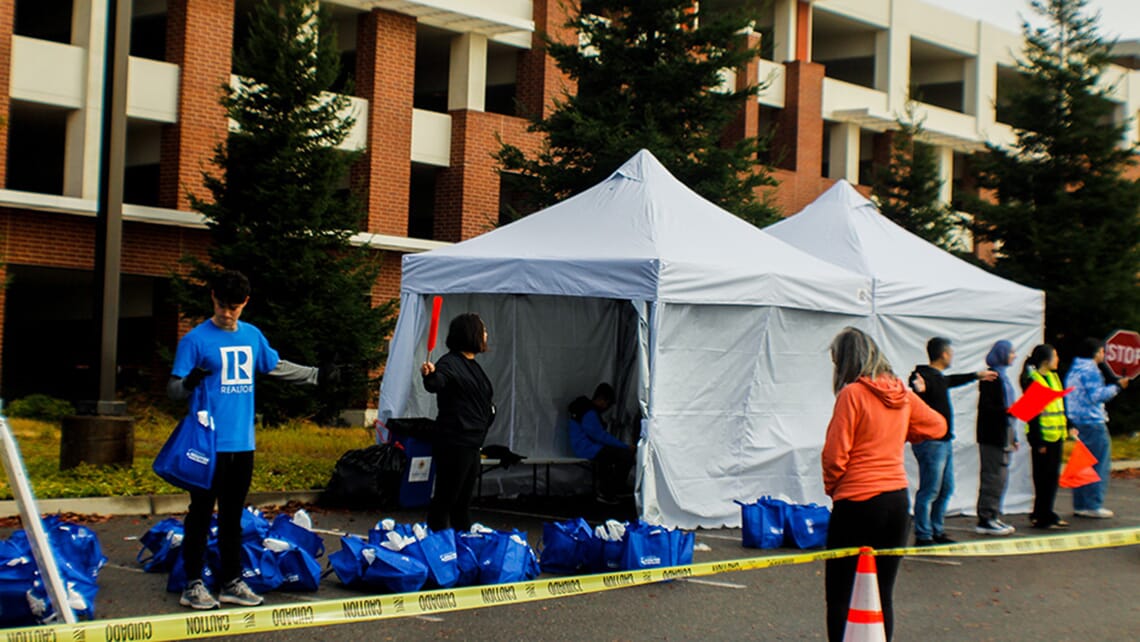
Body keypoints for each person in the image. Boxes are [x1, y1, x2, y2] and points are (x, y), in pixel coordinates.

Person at [168, 270, 325, 610]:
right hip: (208, 445)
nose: (228, 313)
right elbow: (173, 390)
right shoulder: (195, 340)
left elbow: (273, 366)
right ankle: (192, 583)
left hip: (243, 443)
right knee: (199, 513)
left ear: (245, 304)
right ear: (212, 298)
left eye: (235, 307)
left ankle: (231, 581)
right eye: (223, 306)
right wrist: (190, 382)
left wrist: (315, 375)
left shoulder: (252, 335)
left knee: (233, 515)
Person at [821, 327, 946, 642]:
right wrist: (902, 432)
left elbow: (836, 454)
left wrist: (834, 488)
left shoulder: (852, 394)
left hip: (858, 501)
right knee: (882, 592)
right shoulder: (901, 393)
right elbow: (938, 425)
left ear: (846, 361)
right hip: (896, 500)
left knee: (841, 592)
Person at [908, 337, 997, 546]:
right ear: (944, 354)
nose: (952, 356)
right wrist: (917, 387)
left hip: (943, 442)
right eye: (951, 352)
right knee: (930, 489)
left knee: (945, 488)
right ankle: (923, 534)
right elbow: (916, 386)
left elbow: (952, 380)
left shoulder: (939, 378)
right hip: (930, 443)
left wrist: (976, 375)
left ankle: (936, 530)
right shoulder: (923, 375)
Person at [421, 313, 495, 532]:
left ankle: (462, 549)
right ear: (470, 333)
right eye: (482, 330)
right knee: (446, 500)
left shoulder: (473, 366)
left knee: (462, 504)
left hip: (472, 443)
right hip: (455, 442)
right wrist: (430, 375)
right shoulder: (449, 362)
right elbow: (436, 382)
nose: (486, 334)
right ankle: (438, 549)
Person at [1065, 337, 1128, 519]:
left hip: (1077, 421)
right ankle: (1093, 504)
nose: (1104, 355)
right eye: (1102, 351)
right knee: (1098, 463)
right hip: (1093, 421)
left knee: (1082, 463)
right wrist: (1117, 387)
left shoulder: (1074, 369)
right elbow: (1096, 395)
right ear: (1095, 352)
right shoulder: (1091, 370)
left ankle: (1080, 504)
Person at [1020, 344, 1069, 529]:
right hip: (1043, 438)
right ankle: (1041, 515)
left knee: (1052, 478)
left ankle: (1047, 512)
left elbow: (1059, 405)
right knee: (1043, 478)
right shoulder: (1035, 381)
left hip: (1056, 435)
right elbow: (1032, 415)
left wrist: (1068, 427)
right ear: (1046, 360)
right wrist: (1037, 440)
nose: (1058, 360)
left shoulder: (1054, 378)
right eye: (1055, 356)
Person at [975, 340, 1019, 536]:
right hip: (993, 435)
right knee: (992, 477)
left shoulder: (1005, 378)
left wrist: (1014, 435)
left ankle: (994, 514)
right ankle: (986, 517)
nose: (1014, 356)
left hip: (1005, 433)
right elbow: (988, 408)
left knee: (1001, 478)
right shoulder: (991, 378)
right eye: (1011, 352)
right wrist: (1008, 411)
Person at [568, 383, 635, 504]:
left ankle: (610, 490)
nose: (607, 407)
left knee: (609, 457)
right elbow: (600, 435)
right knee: (625, 456)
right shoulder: (589, 412)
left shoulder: (584, 409)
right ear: (601, 399)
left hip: (585, 447)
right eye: (607, 403)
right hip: (588, 448)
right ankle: (610, 490)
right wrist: (625, 446)